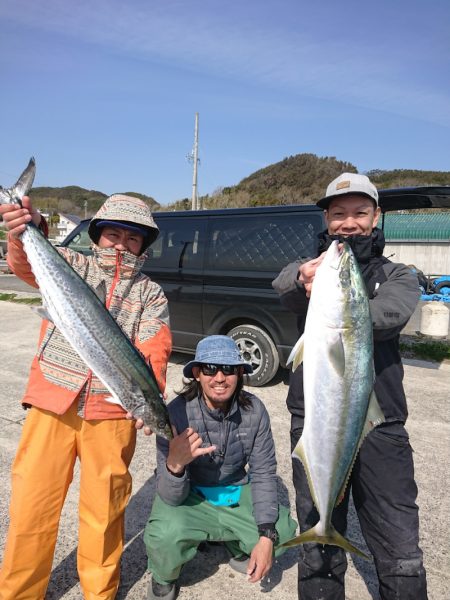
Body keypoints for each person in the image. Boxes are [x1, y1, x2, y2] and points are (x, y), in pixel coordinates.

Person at [0, 194, 172, 599]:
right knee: (32, 508)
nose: (120, 244)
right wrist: (27, 227)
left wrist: (151, 395)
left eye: (132, 238)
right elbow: (26, 263)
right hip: (52, 402)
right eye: (112, 233)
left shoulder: (151, 294)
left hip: (112, 414)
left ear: (143, 245)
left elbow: (154, 349)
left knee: (104, 514)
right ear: (96, 236)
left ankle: (100, 593)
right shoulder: (73, 265)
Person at [272, 172, 427, 600]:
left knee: (397, 535)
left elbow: (390, 316)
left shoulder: (398, 275)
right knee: (318, 530)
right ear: (326, 218)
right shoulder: (315, 270)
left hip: (382, 423)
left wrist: (342, 304)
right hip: (314, 417)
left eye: (360, 213)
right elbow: (283, 283)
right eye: (338, 214)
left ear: (376, 217)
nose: (349, 222)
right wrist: (302, 278)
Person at [143, 335, 297, 600]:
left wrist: (266, 536)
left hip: (234, 491)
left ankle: (235, 543)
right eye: (209, 368)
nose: (219, 377)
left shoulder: (255, 411)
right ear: (196, 374)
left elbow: (262, 473)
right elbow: (169, 496)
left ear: (239, 373)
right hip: (190, 494)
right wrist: (175, 464)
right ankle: (164, 577)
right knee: (164, 534)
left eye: (228, 369)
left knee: (281, 532)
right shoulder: (175, 414)